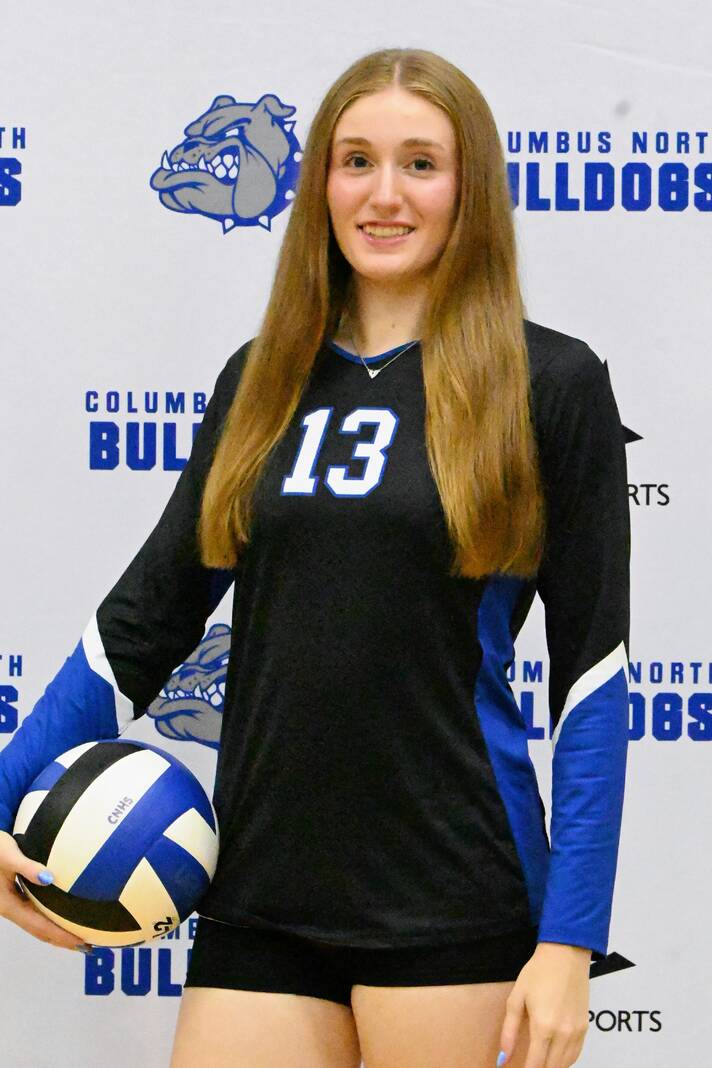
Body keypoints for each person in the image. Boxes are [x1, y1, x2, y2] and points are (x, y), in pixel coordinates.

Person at [0, 47, 630, 1068]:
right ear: (320, 185)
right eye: (356, 161)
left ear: (470, 186)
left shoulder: (547, 382)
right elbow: (143, 622)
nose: (385, 194)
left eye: (421, 163)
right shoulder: (261, 379)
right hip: (260, 891)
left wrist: (570, 939)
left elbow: (594, 677)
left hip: (454, 893)